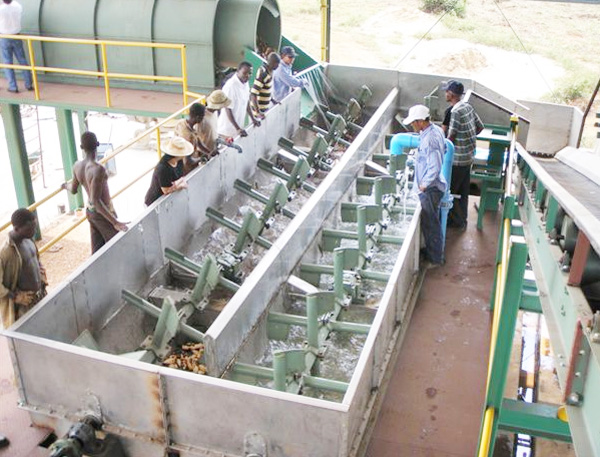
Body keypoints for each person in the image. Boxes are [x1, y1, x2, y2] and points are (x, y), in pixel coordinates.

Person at [65, 132, 128, 254]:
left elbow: (73, 189)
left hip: (90, 212)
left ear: (81, 147)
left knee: (98, 251)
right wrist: (115, 222)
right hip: (102, 213)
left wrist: (64, 186)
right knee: (119, 247)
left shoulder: (77, 166)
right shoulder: (98, 169)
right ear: (97, 145)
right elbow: (96, 200)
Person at [403, 105, 447, 267]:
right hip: (431, 186)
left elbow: (435, 166)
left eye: (414, 122)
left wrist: (424, 185)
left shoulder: (430, 139)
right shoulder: (434, 131)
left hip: (431, 188)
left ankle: (436, 259)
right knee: (430, 220)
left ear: (421, 121)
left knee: (431, 223)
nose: (412, 125)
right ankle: (431, 251)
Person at [442, 80, 484, 229]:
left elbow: (451, 136)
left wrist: (443, 150)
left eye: (446, 91)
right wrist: (467, 140)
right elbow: (480, 127)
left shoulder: (455, 112)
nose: (445, 93)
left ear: (451, 94)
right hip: (468, 157)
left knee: (449, 191)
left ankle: (456, 222)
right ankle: (463, 220)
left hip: (457, 161)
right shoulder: (468, 107)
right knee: (463, 192)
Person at [0, 208, 47, 329]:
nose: (34, 230)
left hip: (40, 296)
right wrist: (15, 296)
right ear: (16, 229)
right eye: (30, 228)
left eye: (34, 226)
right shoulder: (5, 253)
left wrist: (41, 272)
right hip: (24, 307)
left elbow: (36, 259)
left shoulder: (28, 239)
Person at [217, 61, 261, 138]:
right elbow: (228, 109)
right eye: (245, 73)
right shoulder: (230, 86)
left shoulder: (245, 83)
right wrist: (238, 128)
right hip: (227, 132)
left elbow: (246, 101)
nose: (247, 76)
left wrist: (253, 118)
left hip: (238, 128)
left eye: (250, 73)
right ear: (238, 71)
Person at [144, 137, 193, 206]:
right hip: (154, 202)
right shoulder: (163, 168)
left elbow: (180, 176)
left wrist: (178, 183)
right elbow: (166, 190)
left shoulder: (179, 161)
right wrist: (180, 185)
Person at [0, 0, 33, 93]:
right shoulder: (17, 6)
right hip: (17, 35)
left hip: (4, 37)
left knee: (7, 62)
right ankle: (29, 84)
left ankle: (13, 86)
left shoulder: (1, 9)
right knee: (23, 60)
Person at [174, 102, 211, 169]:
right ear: (198, 117)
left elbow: (199, 143)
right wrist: (201, 158)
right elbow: (188, 161)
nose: (203, 119)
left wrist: (210, 152)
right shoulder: (187, 136)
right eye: (202, 117)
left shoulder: (183, 123)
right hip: (185, 169)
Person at [199, 89, 231, 155]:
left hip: (213, 151)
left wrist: (224, 137)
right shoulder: (202, 119)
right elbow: (196, 141)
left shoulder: (215, 113)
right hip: (205, 154)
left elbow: (213, 132)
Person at [250, 52, 280, 120]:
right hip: (258, 113)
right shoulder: (263, 74)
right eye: (277, 64)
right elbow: (253, 94)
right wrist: (258, 112)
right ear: (271, 63)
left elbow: (267, 89)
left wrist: (272, 100)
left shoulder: (271, 72)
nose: (278, 66)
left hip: (265, 109)